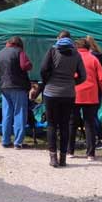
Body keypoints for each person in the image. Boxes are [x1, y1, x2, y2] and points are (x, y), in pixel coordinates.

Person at [40, 30, 86, 168]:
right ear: (71, 40)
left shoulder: (52, 51)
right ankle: (63, 158)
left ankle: (53, 157)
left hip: (51, 94)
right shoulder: (76, 54)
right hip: (68, 94)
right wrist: (72, 83)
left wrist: (48, 81)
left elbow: (43, 69)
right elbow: (83, 76)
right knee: (65, 125)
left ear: (58, 39)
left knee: (52, 125)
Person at [67, 38, 102, 161]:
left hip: (74, 95)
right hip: (91, 96)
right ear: (88, 47)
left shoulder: (72, 59)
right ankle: (90, 154)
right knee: (89, 124)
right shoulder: (94, 59)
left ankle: (70, 151)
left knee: (72, 123)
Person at [0, 36, 33, 149]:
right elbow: (25, 65)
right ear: (19, 44)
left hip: (4, 87)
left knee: (6, 113)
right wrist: (30, 65)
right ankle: (18, 142)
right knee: (19, 113)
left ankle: (5, 140)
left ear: (8, 43)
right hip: (18, 86)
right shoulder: (20, 52)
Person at [86, 35, 102, 150]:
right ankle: (98, 138)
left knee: (92, 116)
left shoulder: (92, 56)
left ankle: (99, 138)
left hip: (92, 89)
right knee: (93, 115)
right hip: (97, 89)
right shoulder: (99, 55)